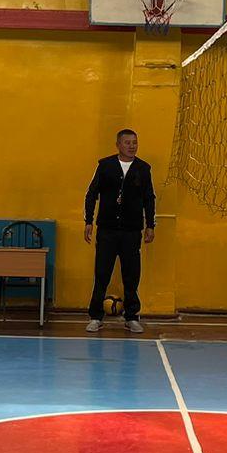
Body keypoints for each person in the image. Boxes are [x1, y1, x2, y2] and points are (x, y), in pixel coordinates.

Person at [85, 129, 156, 334]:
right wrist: (89, 220)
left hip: (131, 231)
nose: (132, 146)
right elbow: (91, 194)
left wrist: (150, 225)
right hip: (107, 230)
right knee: (102, 274)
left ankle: (132, 317)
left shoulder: (143, 169)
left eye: (135, 142)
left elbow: (149, 198)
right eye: (127, 142)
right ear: (118, 145)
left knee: (131, 275)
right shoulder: (105, 166)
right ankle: (95, 316)